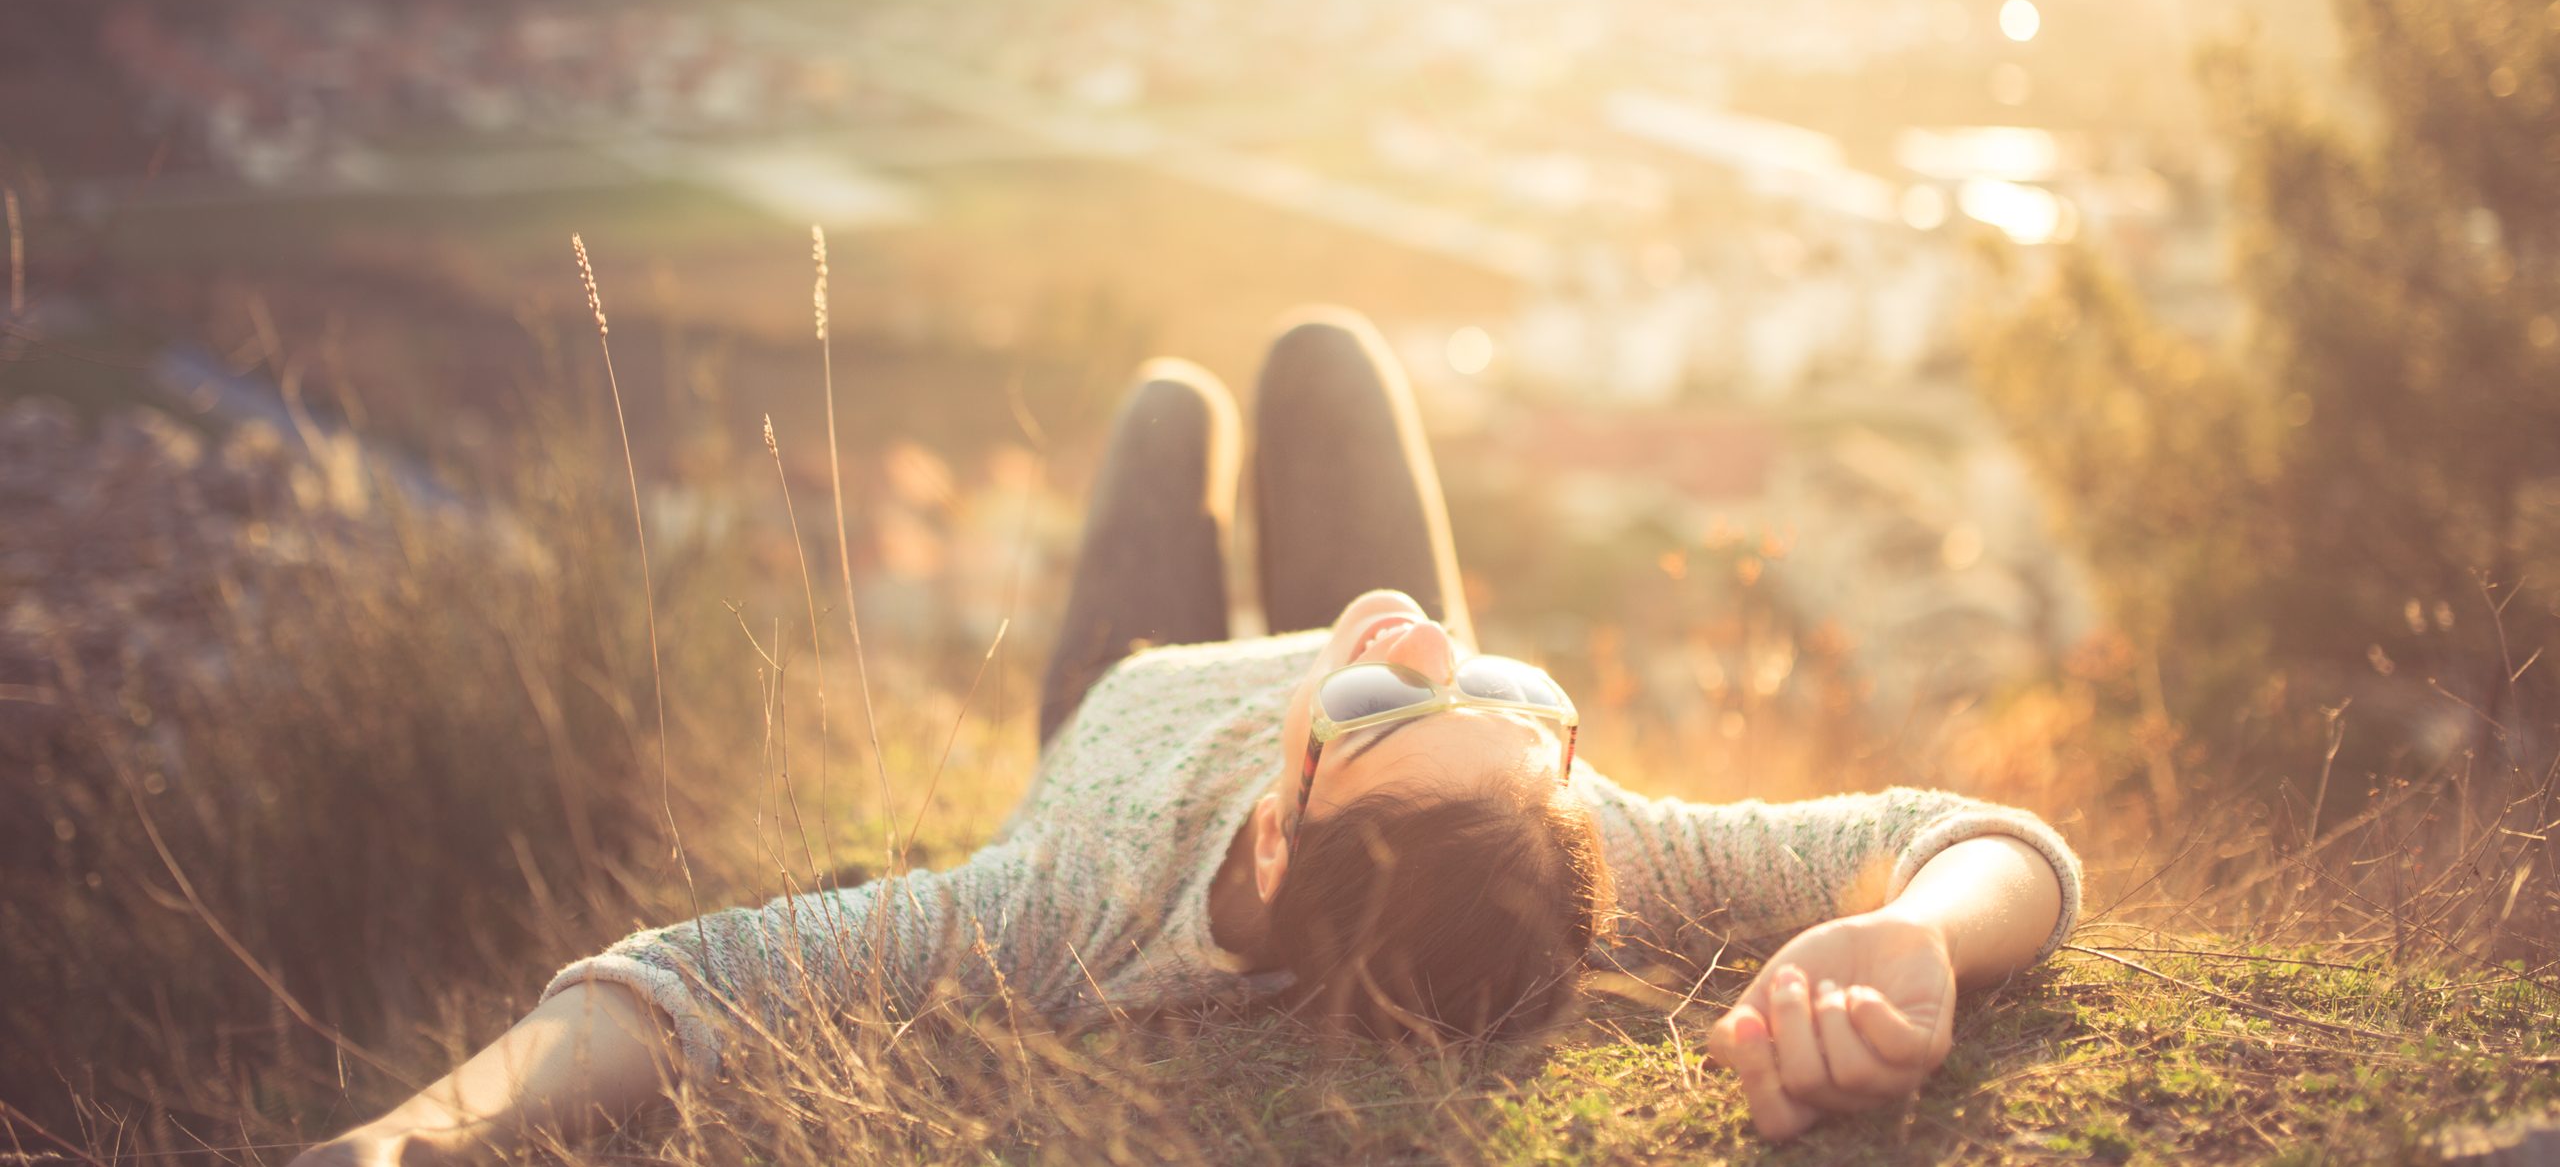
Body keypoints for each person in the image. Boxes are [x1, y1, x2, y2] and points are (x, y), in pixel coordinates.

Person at [294, 310, 2078, 1162]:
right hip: (1337, 732)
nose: (1439, 648)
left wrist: (409, 1139)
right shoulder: (1570, 820)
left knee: (1167, 409)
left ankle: (1185, 457)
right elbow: (1986, 834)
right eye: (1517, 702)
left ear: (1287, 822)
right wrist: (1914, 934)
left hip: (1125, 699)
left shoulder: (1063, 907)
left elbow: (687, 980)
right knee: (1322, 359)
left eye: (1394, 708)